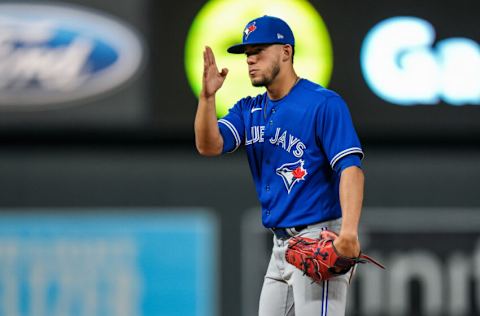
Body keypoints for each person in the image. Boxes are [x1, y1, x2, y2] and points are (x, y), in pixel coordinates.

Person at [195, 15, 365, 316]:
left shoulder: (323, 103)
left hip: (319, 237)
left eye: (259, 50)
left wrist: (349, 232)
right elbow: (209, 145)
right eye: (247, 53)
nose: (250, 59)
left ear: (286, 52)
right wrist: (207, 98)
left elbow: (350, 168)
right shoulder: (249, 109)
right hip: (281, 247)